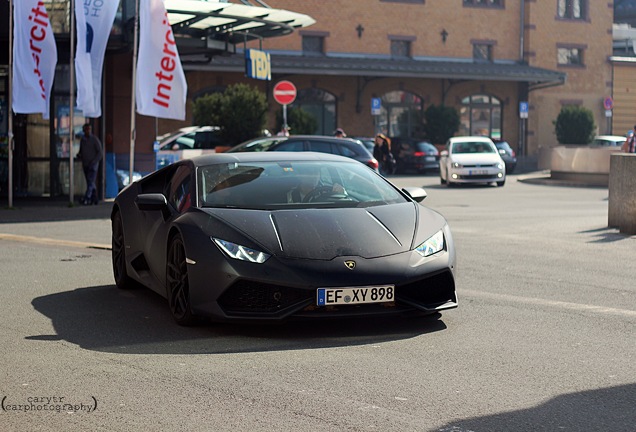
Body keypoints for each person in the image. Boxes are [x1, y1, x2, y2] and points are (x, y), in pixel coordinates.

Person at [77, 123, 103, 205]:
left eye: (89, 129)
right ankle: (94, 198)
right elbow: (81, 151)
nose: (87, 131)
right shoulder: (83, 140)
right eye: (86, 129)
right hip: (86, 164)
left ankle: (87, 197)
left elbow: (100, 153)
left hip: (93, 165)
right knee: (90, 182)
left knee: (91, 180)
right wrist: (79, 155)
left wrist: (94, 161)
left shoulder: (94, 139)